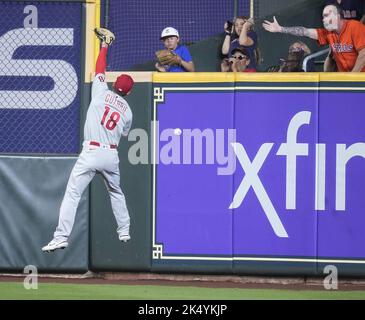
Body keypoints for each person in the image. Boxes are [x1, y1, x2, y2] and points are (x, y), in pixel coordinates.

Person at [42, 29, 134, 252]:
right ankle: (124, 231)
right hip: (111, 155)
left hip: (91, 151)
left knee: (73, 193)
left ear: (114, 85)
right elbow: (124, 135)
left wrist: (104, 47)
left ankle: (61, 236)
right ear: (128, 93)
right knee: (116, 192)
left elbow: (100, 68)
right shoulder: (128, 111)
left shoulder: (100, 91)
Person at [262, 4, 365, 72]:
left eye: (326, 16)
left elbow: (364, 53)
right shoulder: (328, 34)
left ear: (337, 16)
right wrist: (281, 29)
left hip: (359, 80)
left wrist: (353, 76)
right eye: (323, 17)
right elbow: (305, 31)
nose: (323, 20)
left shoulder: (355, 27)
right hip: (346, 81)